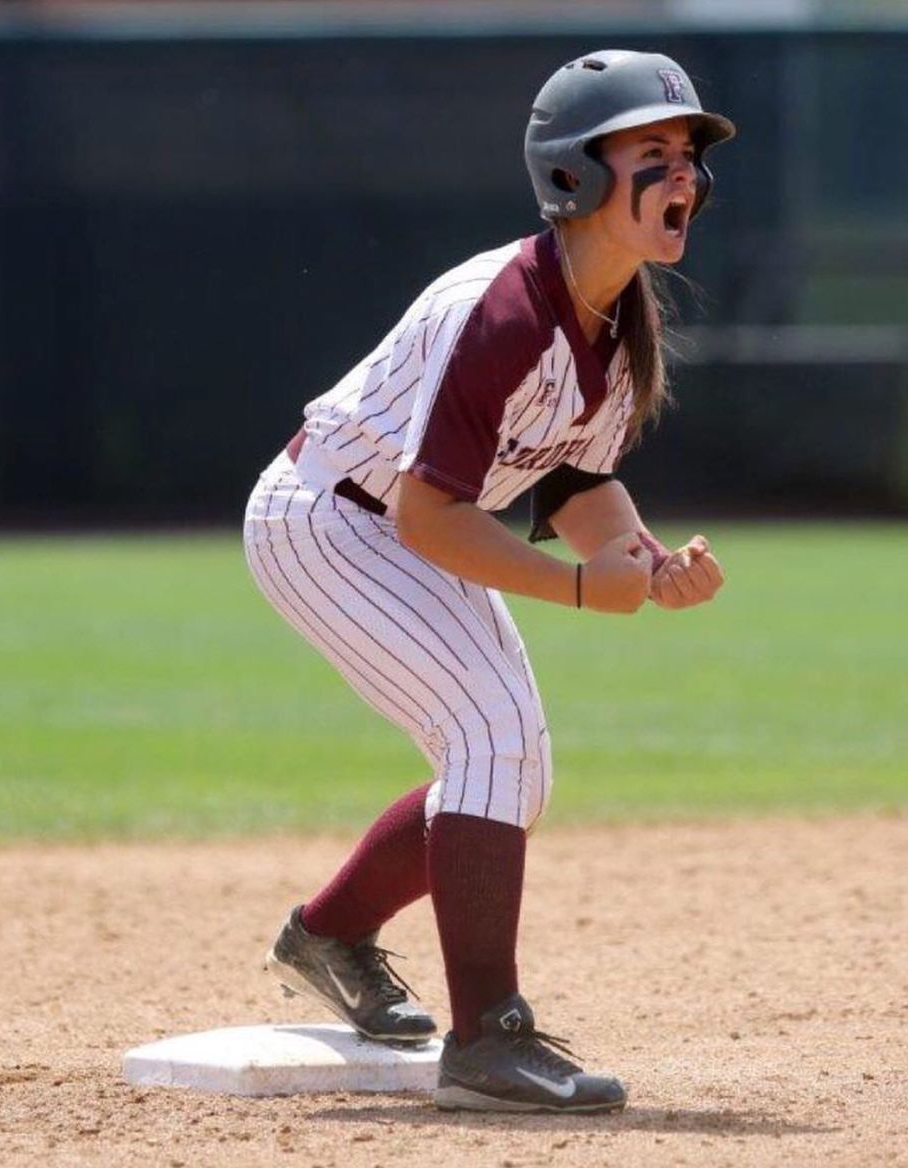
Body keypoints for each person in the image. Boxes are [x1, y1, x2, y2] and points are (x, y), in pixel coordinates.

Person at [244, 49, 734, 1113]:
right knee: (491, 738)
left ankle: (326, 935)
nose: (682, 175)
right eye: (649, 153)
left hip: (395, 522)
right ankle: (486, 1036)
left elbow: (569, 474)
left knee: (510, 767)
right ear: (574, 176)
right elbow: (428, 513)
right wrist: (568, 590)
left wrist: (643, 566)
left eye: (686, 155)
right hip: (328, 518)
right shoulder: (504, 312)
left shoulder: (618, 313)